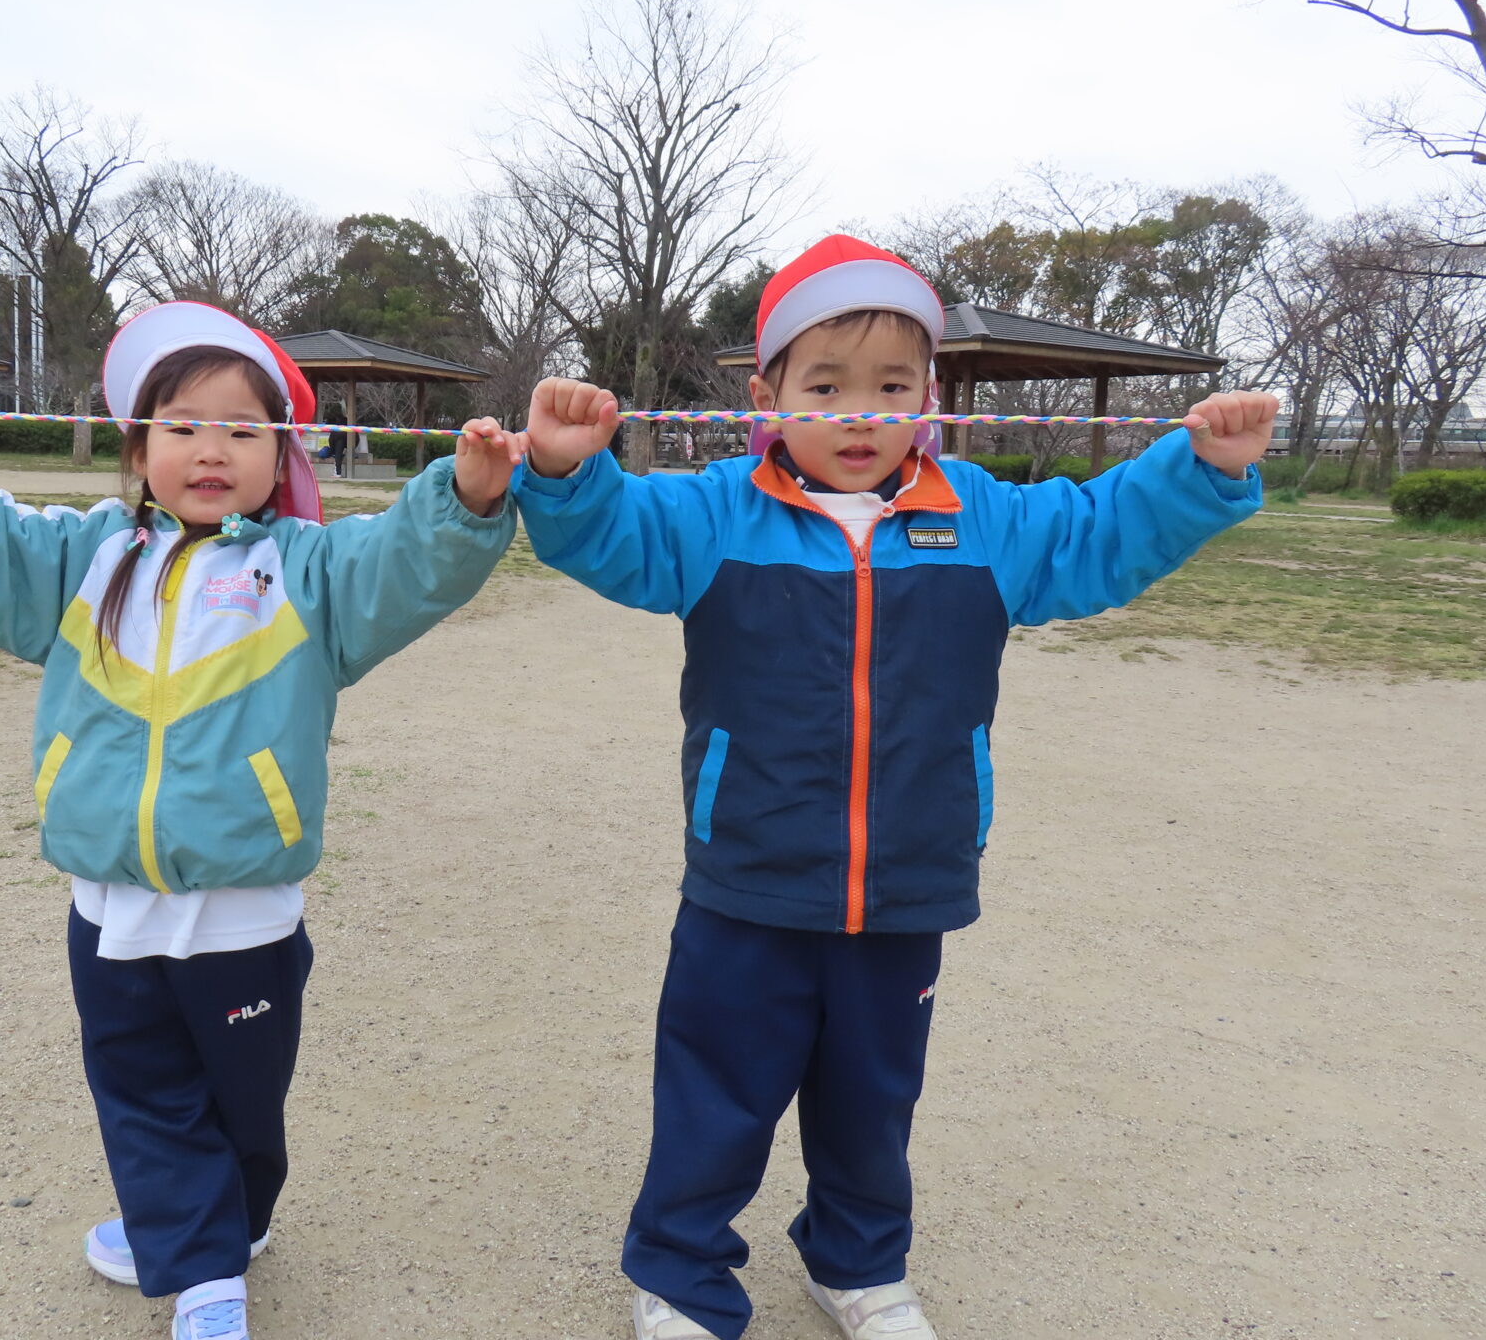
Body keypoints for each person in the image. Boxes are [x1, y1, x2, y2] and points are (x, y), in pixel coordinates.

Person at [510, 235, 1277, 1340]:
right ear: (767, 397)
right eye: (825, 388)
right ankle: (679, 1275)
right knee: (716, 1092)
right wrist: (565, 472)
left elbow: (1102, 532)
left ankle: (860, 1264)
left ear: (929, 397)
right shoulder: (716, 514)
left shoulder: (986, 518)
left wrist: (1203, 470)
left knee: (875, 1099)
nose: (860, 415)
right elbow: (612, 537)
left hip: (910, 880)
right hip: (748, 880)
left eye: (891, 387)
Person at [0, 302, 522, 1340]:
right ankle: (203, 1276)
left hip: (243, 911)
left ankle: (222, 1222)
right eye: (183, 426)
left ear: (281, 453)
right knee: (144, 1091)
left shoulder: (309, 572)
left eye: (242, 430)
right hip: (109, 902)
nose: (210, 450)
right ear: (139, 446)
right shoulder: (84, 559)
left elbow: (405, 563)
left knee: (246, 1103)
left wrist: (465, 495)